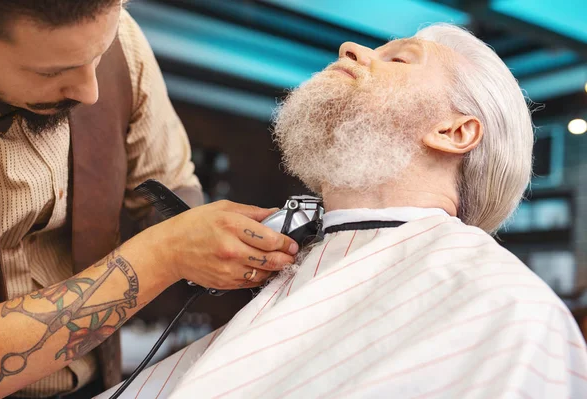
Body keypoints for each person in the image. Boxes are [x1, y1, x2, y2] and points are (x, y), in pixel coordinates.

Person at [101, 23, 587, 398]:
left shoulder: (501, 306)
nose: (349, 49)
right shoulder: (306, 257)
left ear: (453, 132)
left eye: (398, 58)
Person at [0, 1, 299, 398]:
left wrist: (205, 236)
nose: (90, 92)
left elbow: (170, 188)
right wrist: (165, 252)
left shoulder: (120, 39)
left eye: (98, 55)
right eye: (52, 72)